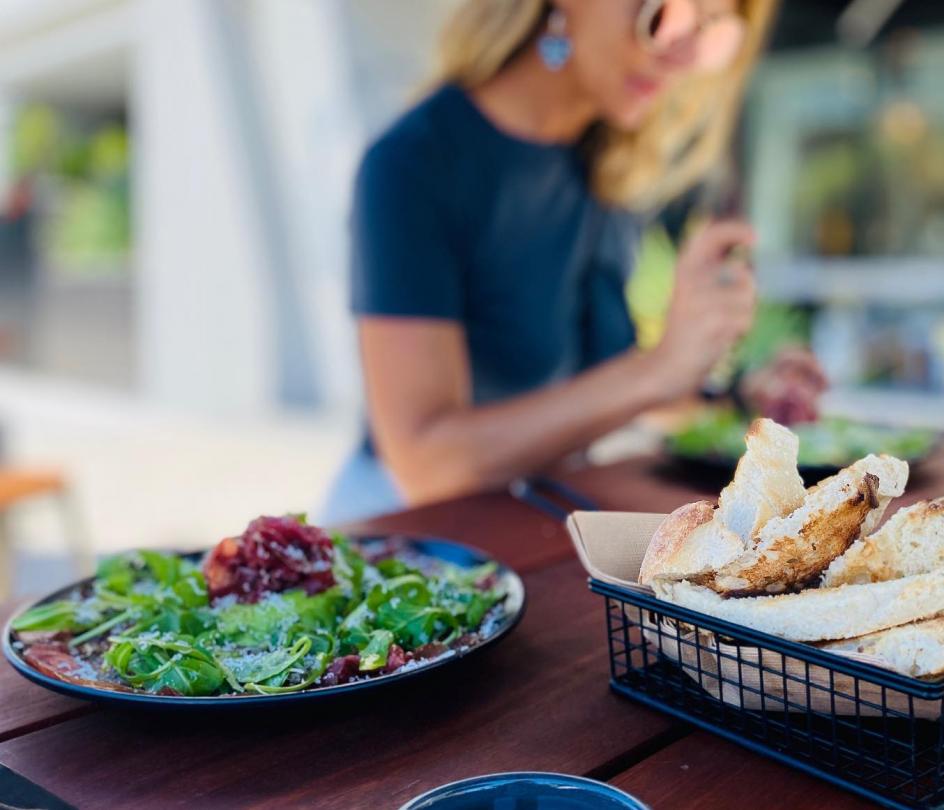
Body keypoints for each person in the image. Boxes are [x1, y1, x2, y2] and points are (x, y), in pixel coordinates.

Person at [322, 0, 826, 523]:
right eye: (665, 16)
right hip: (411, 538)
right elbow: (427, 465)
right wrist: (658, 369)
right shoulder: (414, 164)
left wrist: (741, 401)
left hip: (540, 515)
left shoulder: (606, 163)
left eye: (711, 31)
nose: (684, 56)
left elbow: (601, 388)